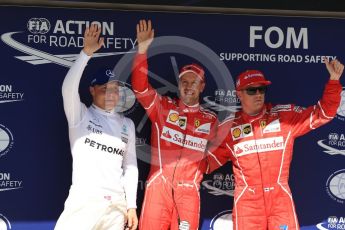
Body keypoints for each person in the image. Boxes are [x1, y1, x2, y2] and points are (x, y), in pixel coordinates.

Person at [207, 60, 344, 230]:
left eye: (262, 89)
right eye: (251, 90)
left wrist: (334, 80)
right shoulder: (228, 129)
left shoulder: (284, 117)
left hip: (280, 200)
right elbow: (204, 163)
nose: (258, 94)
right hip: (248, 204)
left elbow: (323, 114)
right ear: (239, 94)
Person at [131, 19, 218, 230]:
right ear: (179, 84)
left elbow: (223, 149)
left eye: (194, 82)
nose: (189, 87)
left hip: (188, 191)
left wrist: (203, 168)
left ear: (202, 86)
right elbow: (140, 88)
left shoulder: (211, 120)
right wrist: (142, 51)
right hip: (158, 186)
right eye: (184, 82)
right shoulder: (163, 107)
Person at [55, 24, 138, 230]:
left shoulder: (127, 124)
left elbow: (130, 166)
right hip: (85, 202)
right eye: (104, 88)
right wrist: (85, 54)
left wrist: (131, 206)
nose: (111, 93)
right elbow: (68, 88)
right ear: (92, 90)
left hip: (116, 207)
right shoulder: (80, 115)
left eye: (115, 89)